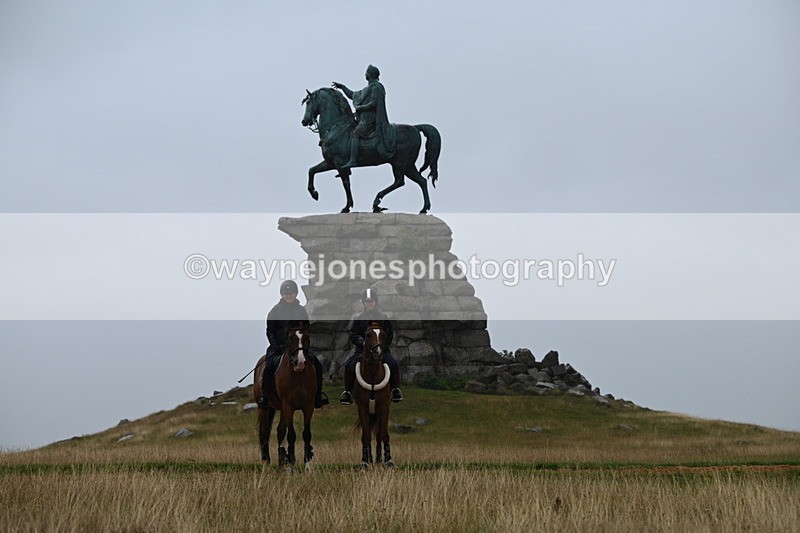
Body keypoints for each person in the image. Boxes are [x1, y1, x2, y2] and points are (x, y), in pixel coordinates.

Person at [257, 280, 329, 408]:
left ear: (295, 294)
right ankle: (265, 395)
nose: (288, 296)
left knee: (316, 364)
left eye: (291, 293)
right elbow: (270, 331)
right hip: (278, 347)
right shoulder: (275, 311)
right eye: (286, 294)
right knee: (269, 365)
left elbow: (306, 330)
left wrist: (304, 345)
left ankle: (318, 395)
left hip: (298, 347)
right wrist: (276, 345)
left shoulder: (301, 310)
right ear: (282, 295)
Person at [339, 288, 403, 405]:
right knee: (349, 366)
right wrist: (362, 342)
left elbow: (389, 334)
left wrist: (381, 346)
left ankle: (395, 390)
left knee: (393, 364)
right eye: (367, 301)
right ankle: (348, 392)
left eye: (372, 301)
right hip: (362, 351)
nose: (370, 303)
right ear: (364, 303)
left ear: (375, 302)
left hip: (381, 350)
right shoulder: (358, 319)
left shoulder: (383, 317)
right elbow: (353, 334)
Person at [332, 64, 396, 168]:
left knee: (355, 133)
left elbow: (373, 103)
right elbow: (353, 95)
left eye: (366, 72)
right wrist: (342, 87)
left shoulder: (376, 87)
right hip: (363, 119)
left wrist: (361, 108)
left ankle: (353, 160)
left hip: (370, 120)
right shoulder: (367, 88)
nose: (365, 74)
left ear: (370, 74)